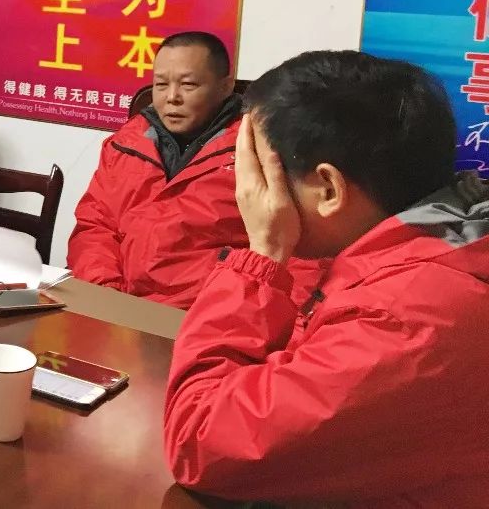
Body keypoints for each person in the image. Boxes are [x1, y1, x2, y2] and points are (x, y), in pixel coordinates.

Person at [164, 51, 489, 506]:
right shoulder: (430, 248)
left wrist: (263, 254)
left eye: (257, 169)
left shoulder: (408, 319)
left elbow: (200, 440)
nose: (246, 190)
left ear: (329, 188)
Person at [67, 32, 322, 308]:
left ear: (225, 87)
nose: (172, 97)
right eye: (161, 84)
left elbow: (297, 252)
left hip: (208, 313)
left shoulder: (261, 152)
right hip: (116, 304)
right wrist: (105, 296)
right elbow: (95, 225)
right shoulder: (126, 143)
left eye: (188, 85)